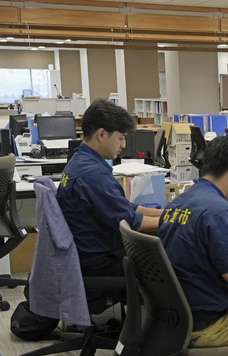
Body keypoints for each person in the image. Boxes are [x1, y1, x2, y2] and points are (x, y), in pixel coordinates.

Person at [158, 134, 228, 348]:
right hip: (208, 325)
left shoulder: (181, 200)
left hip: (175, 320)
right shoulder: (220, 210)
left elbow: (197, 235)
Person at [57, 99, 161, 277]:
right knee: (174, 255)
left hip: (87, 250)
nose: (124, 145)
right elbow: (131, 223)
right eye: (120, 138)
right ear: (102, 134)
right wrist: (180, 222)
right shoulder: (93, 175)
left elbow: (125, 208)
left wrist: (168, 214)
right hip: (100, 260)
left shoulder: (80, 161)